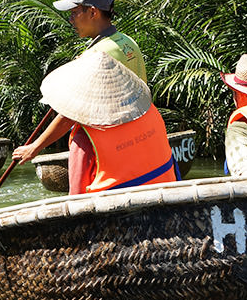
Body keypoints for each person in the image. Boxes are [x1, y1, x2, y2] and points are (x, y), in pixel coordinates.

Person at [13, 0, 149, 164]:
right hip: (142, 136)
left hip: (113, 148)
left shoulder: (96, 55)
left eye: (74, 12)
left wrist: (34, 147)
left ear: (93, 12)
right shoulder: (127, 41)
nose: (71, 20)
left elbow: (71, 114)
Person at [35, 50, 178, 194]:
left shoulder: (83, 138)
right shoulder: (149, 111)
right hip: (167, 191)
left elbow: (76, 197)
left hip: (120, 209)